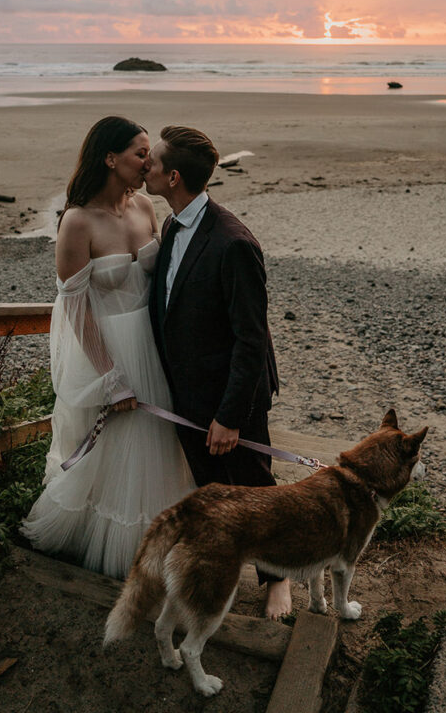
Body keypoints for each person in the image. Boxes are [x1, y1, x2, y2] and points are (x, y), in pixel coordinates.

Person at [22, 116, 194, 579]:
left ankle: (162, 541)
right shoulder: (77, 222)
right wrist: (111, 377)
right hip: (109, 351)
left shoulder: (143, 208)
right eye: (141, 154)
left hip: (152, 347)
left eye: (149, 154)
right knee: (114, 449)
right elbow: (76, 309)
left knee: (157, 445)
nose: (149, 162)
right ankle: (113, 545)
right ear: (109, 158)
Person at [144, 125, 292, 619]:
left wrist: (229, 416)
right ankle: (215, 577)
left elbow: (252, 339)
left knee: (253, 491)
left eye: (154, 162)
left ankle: (277, 581)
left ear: (174, 177)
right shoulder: (171, 225)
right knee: (209, 493)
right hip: (189, 390)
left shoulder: (233, 244)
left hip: (234, 394)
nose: (146, 166)